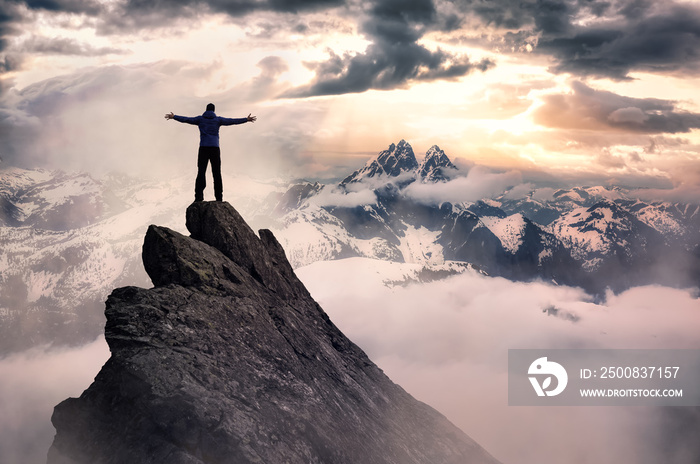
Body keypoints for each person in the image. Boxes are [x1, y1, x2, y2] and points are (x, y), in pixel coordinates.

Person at [165, 103, 256, 202]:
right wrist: (246, 119)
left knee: (201, 172)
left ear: (206, 109)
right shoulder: (218, 120)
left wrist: (174, 117)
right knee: (217, 174)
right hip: (215, 149)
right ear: (214, 110)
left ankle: (198, 197)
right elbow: (232, 121)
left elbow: (186, 119)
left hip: (203, 148)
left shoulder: (200, 119)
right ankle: (219, 198)